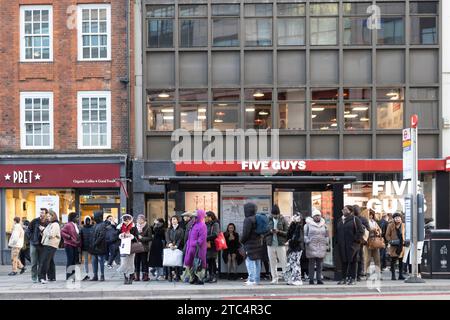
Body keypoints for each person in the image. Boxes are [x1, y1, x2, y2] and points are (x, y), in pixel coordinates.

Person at [336, 205, 364, 285]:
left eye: (345, 209)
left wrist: (355, 240)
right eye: (343, 209)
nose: (343, 211)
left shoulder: (355, 219)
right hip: (342, 245)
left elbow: (361, 231)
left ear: (350, 211)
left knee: (353, 261)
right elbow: (337, 232)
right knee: (343, 262)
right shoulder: (340, 220)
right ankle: (344, 278)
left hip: (353, 245)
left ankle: (353, 278)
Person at [241, 203, 264, 286]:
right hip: (258, 243)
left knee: (250, 261)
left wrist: (242, 241)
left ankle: (251, 279)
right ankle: (257, 280)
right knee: (257, 262)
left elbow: (245, 234)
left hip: (250, 244)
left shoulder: (248, 219)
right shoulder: (258, 218)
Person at [265, 204, 289, 284]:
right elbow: (264, 232)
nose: (274, 216)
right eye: (273, 214)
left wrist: (279, 232)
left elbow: (287, 233)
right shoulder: (268, 220)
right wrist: (270, 231)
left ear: (279, 213)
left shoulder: (283, 220)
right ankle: (275, 279)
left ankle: (287, 278)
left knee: (283, 262)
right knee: (272, 263)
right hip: (270, 244)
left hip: (280, 244)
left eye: (276, 214)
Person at [304, 209, 329, 285]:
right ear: (313, 217)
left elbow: (327, 235)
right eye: (316, 216)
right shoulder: (307, 225)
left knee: (320, 264)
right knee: (311, 264)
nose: (317, 217)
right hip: (311, 246)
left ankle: (319, 279)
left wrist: (326, 242)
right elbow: (305, 235)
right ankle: (311, 279)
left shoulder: (324, 225)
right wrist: (307, 241)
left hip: (321, 246)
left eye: (318, 215)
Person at [184, 209, 207, 285]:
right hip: (191, 248)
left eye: (195, 216)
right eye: (193, 216)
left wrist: (195, 243)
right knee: (190, 263)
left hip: (198, 249)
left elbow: (202, 238)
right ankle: (193, 278)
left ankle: (199, 279)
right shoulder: (193, 224)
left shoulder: (202, 225)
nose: (193, 218)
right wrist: (188, 243)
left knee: (198, 263)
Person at [27, 208, 49, 283]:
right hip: (34, 244)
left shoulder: (48, 223)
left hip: (43, 245)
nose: (41, 214)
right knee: (33, 262)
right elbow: (28, 230)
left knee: (41, 262)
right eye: (40, 212)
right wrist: (31, 238)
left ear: (46, 214)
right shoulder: (35, 221)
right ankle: (34, 278)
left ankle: (41, 277)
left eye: (43, 213)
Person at [39, 210, 61, 284]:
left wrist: (44, 230)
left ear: (53, 216)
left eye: (49, 216)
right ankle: (52, 277)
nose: (47, 218)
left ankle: (42, 278)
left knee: (45, 261)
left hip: (50, 244)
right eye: (47, 216)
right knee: (50, 261)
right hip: (48, 244)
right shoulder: (50, 224)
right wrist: (44, 231)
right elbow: (46, 235)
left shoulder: (55, 224)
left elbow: (51, 235)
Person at [117, 214, 139, 285]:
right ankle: (125, 277)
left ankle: (131, 277)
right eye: (125, 221)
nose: (126, 222)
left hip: (131, 247)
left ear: (130, 220)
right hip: (123, 247)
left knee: (131, 263)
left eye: (128, 220)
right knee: (124, 262)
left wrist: (131, 236)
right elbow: (115, 236)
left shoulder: (133, 227)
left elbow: (137, 237)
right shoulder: (120, 226)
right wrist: (121, 236)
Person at [284, 213, 304, 286]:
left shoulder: (300, 227)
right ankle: (291, 278)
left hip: (297, 247)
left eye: (296, 217)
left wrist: (290, 241)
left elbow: (299, 238)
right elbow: (288, 235)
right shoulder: (293, 226)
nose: (295, 218)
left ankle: (297, 279)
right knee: (291, 263)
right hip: (292, 247)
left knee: (295, 263)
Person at [385, 212, 406, 280]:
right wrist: (390, 241)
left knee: (401, 261)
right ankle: (393, 275)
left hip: (401, 245)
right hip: (394, 245)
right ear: (394, 219)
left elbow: (406, 234)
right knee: (393, 261)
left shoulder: (403, 225)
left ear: (401, 218)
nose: (397, 219)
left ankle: (400, 275)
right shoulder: (390, 225)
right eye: (396, 218)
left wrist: (405, 241)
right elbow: (387, 235)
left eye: (398, 218)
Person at [60, 212, 81, 280]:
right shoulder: (68, 225)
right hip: (69, 245)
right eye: (77, 217)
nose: (78, 219)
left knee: (74, 261)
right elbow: (62, 232)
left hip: (74, 244)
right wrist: (68, 237)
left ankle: (73, 276)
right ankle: (69, 276)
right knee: (70, 261)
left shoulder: (75, 225)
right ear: (73, 218)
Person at [89, 211, 107, 281]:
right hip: (94, 247)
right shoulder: (95, 225)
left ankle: (102, 275)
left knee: (101, 261)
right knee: (94, 262)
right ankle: (95, 275)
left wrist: (95, 243)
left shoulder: (102, 225)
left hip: (100, 246)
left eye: (95, 216)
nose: (94, 217)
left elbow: (101, 236)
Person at [165, 215, 184, 282]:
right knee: (169, 262)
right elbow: (167, 238)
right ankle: (169, 275)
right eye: (172, 219)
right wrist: (170, 244)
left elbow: (181, 238)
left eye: (175, 219)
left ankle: (177, 275)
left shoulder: (181, 229)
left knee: (177, 262)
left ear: (177, 220)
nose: (174, 221)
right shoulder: (168, 229)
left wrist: (176, 246)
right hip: (169, 247)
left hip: (178, 247)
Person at [354, 205, 369, 281]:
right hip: (359, 241)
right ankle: (358, 274)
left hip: (359, 241)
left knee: (358, 258)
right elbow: (368, 228)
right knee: (359, 258)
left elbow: (367, 229)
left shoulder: (359, 219)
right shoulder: (363, 219)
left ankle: (358, 274)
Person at [134, 214, 152, 281]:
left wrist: (142, 238)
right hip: (136, 247)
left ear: (144, 220)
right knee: (136, 261)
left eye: (141, 219)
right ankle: (137, 276)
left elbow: (150, 238)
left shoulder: (148, 227)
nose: (139, 220)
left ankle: (145, 276)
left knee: (144, 262)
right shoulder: (135, 227)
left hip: (144, 247)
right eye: (138, 219)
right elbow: (133, 235)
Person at [365, 209, 382, 276]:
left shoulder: (374, 222)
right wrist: (372, 230)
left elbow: (380, 230)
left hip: (375, 241)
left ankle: (378, 273)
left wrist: (377, 231)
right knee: (367, 259)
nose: (370, 216)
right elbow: (365, 231)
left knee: (377, 259)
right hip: (368, 241)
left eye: (372, 215)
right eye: (369, 215)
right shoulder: (365, 222)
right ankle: (367, 273)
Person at [205, 211, 220, 283]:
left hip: (213, 245)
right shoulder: (207, 224)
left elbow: (215, 234)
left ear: (210, 217)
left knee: (212, 260)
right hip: (208, 245)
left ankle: (214, 277)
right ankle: (210, 276)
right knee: (209, 261)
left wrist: (205, 238)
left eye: (206, 217)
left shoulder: (215, 224)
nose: (205, 218)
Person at [80, 216, 94, 281]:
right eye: (87, 220)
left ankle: (93, 274)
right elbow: (80, 238)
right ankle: (87, 274)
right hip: (85, 247)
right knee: (86, 261)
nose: (88, 222)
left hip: (91, 247)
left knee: (92, 261)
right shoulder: (82, 229)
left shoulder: (93, 228)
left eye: (89, 220)